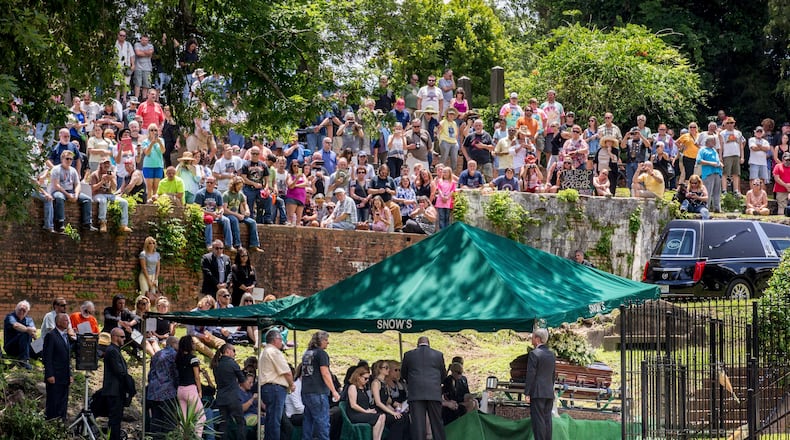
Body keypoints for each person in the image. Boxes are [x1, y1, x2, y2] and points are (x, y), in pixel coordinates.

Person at [401, 336, 446, 440]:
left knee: (418, 425)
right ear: (429, 344)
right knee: (437, 422)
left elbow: (404, 374)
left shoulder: (408, 355)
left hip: (416, 393)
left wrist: (412, 382)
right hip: (434, 392)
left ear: (417, 344)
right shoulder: (438, 355)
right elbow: (443, 374)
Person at [302, 331, 341, 440]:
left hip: (306, 391)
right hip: (318, 392)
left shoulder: (307, 353)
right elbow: (325, 373)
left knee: (308, 422)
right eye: (326, 340)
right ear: (320, 341)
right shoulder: (321, 354)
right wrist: (334, 391)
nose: (328, 342)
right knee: (323, 422)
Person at [259, 328, 296, 440]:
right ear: (275, 340)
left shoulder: (265, 351)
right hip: (275, 388)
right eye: (281, 340)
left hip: (267, 388)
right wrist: (292, 385)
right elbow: (287, 372)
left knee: (271, 420)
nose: (282, 342)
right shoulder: (274, 351)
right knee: (275, 421)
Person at [49, 149, 97, 232]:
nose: (69, 161)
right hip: (59, 191)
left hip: (71, 191)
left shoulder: (73, 170)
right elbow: (56, 185)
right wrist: (67, 195)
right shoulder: (56, 169)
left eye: (71, 159)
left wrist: (76, 194)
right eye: (67, 159)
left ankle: (87, 223)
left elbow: (77, 184)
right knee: (59, 198)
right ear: (62, 159)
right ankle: (60, 223)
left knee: (87, 199)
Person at [524, 328, 556, 440]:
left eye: (532, 337)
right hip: (548, 392)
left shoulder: (534, 354)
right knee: (547, 420)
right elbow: (553, 375)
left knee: (538, 421)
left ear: (537, 339)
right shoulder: (552, 355)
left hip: (537, 392)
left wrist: (527, 392)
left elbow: (531, 374)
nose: (531, 339)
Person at [212, 343, 247, 440]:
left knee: (224, 424)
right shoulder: (232, 363)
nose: (234, 354)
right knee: (240, 422)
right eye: (233, 351)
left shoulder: (216, 364)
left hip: (221, 398)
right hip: (233, 398)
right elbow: (243, 381)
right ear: (227, 351)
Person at [90, 158, 133, 233]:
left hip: (109, 194)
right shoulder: (95, 174)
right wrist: (102, 182)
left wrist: (112, 179)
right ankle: (102, 222)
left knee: (124, 202)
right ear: (101, 165)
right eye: (104, 163)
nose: (106, 165)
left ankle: (123, 225)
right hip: (97, 194)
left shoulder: (111, 174)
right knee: (103, 201)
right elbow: (92, 189)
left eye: (108, 164)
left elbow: (114, 188)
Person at [43, 313, 72, 421]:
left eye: (67, 320)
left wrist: (70, 374)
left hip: (64, 376)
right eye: (65, 320)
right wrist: (49, 374)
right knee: (53, 403)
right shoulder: (51, 335)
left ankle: (62, 423)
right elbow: (47, 357)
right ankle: (51, 425)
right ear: (58, 322)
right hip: (54, 376)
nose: (67, 322)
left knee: (63, 403)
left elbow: (67, 358)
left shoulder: (65, 336)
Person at [147, 336, 179, 436]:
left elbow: (150, 373)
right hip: (167, 392)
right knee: (169, 421)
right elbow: (176, 373)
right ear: (173, 344)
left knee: (156, 419)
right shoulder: (174, 355)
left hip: (153, 392)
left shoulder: (157, 354)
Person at [344, 366, 386, 440]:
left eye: (368, 378)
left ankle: (378, 438)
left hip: (363, 412)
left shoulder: (364, 388)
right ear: (358, 377)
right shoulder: (352, 387)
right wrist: (366, 412)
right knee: (378, 417)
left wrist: (370, 410)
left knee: (383, 416)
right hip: (355, 414)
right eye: (365, 378)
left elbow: (364, 403)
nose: (367, 381)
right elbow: (353, 405)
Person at [371, 361, 410, 440]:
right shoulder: (376, 383)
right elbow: (378, 403)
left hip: (386, 409)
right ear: (380, 370)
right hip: (379, 411)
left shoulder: (384, 383)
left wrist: (396, 408)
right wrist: (392, 412)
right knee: (399, 419)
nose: (388, 369)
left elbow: (388, 400)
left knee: (405, 416)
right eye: (386, 368)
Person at [103, 328, 129, 440]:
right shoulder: (112, 351)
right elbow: (118, 371)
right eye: (122, 337)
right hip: (114, 390)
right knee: (114, 419)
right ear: (115, 337)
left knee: (116, 419)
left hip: (117, 390)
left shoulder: (115, 350)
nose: (124, 339)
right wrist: (128, 380)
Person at [697, 136, 723, 213]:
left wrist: (720, 163)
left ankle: (717, 208)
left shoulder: (714, 150)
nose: (715, 143)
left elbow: (717, 160)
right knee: (708, 191)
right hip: (708, 173)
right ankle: (706, 208)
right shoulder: (702, 150)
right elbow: (699, 160)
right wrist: (711, 163)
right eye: (713, 141)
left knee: (717, 191)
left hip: (717, 172)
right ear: (708, 142)